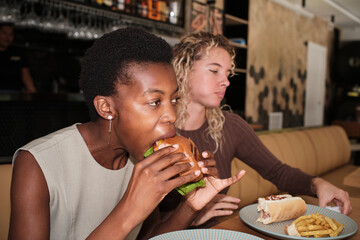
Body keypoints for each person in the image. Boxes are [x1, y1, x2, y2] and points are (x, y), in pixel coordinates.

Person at [8, 27, 246, 240]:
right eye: (154, 101)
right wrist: (129, 210)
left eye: (174, 99)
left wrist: (191, 206)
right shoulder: (37, 163)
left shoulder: (142, 155)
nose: (172, 115)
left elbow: (149, 236)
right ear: (106, 107)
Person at [168, 31, 352, 227]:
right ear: (183, 69)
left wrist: (318, 184)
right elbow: (142, 225)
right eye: (214, 71)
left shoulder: (230, 126)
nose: (226, 81)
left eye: (228, 74)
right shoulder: (156, 131)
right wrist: (190, 216)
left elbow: (277, 171)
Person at [0, 23, 36, 93]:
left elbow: (26, 76)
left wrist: (33, 94)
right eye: (4, 33)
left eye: (11, 34)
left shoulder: (18, 52)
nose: (7, 37)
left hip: (15, 94)